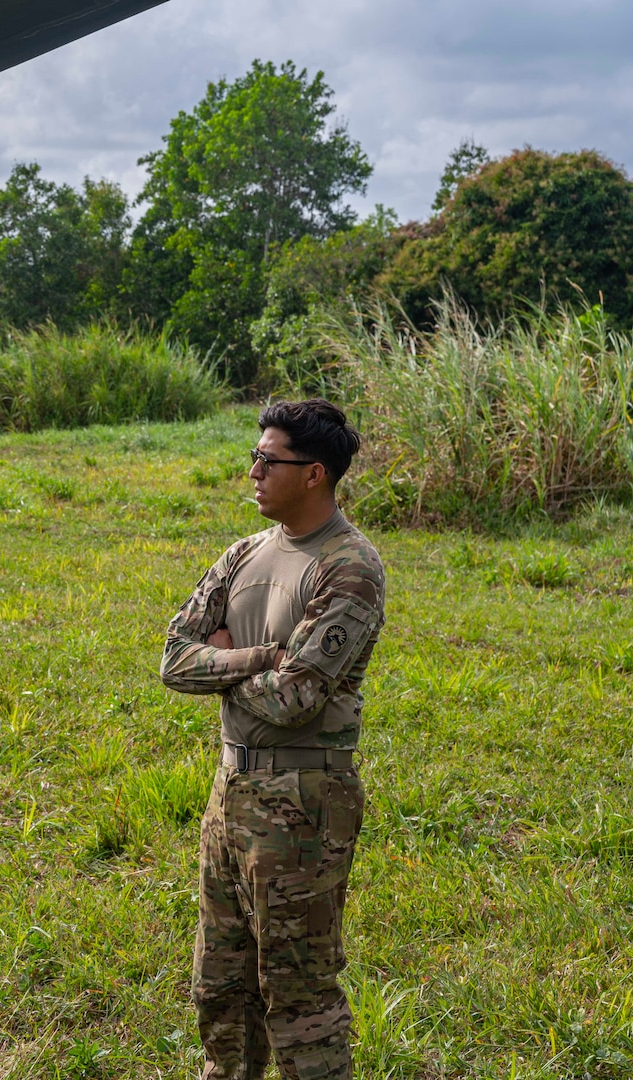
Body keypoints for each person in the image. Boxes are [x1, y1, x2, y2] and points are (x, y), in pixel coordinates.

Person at [158, 399, 386, 1080]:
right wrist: (260, 657)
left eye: (267, 460)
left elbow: (295, 700)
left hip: (303, 800)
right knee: (220, 988)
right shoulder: (243, 553)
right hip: (230, 791)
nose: (251, 470)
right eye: (253, 456)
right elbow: (174, 659)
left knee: (298, 996)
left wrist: (224, 659)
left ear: (313, 473)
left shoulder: (348, 568)